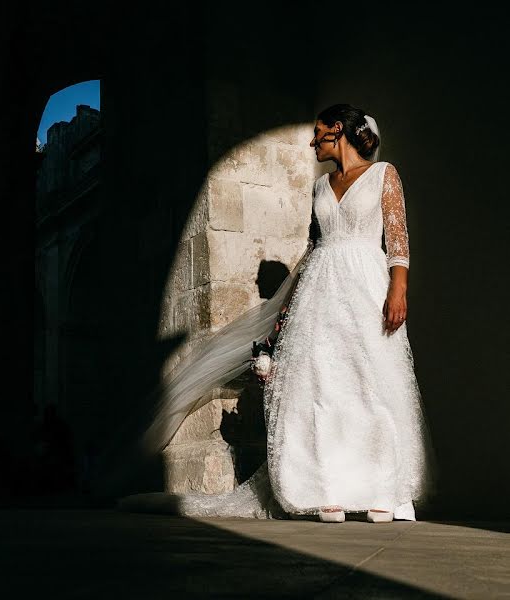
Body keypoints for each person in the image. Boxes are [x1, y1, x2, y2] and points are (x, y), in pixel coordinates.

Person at [117, 104, 434, 523]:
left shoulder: (383, 174)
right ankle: (327, 489)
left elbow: (397, 240)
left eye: (318, 133)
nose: (312, 141)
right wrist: (283, 312)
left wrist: (399, 289)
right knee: (321, 385)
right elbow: (311, 250)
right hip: (320, 290)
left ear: (337, 131)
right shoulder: (321, 187)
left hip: (366, 285)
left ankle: (382, 488)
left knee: (371, 381)